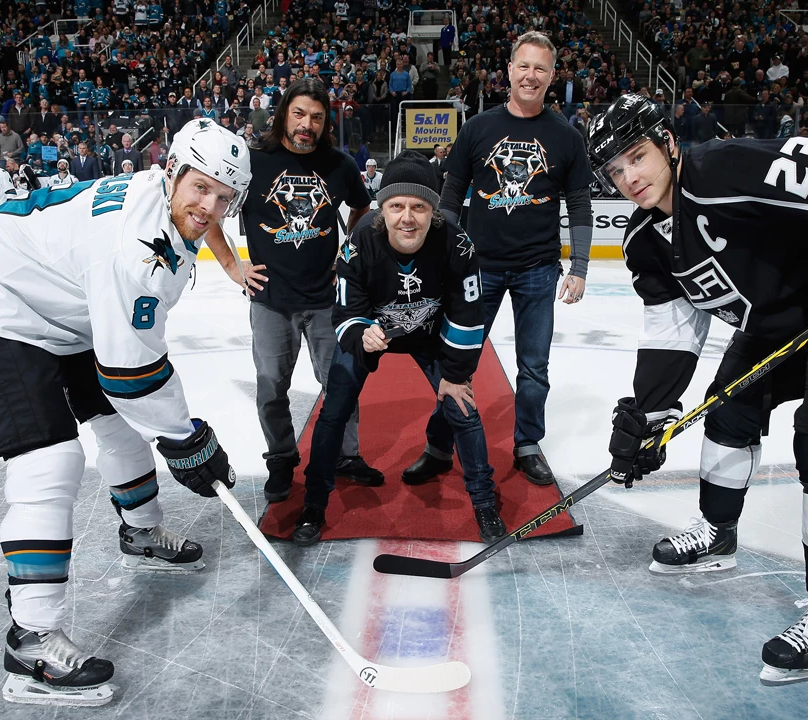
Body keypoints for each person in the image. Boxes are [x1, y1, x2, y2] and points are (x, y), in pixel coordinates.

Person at [588, 94, 808, 685]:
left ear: (669, 144)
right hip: (782, 325)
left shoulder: (727, 168)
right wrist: (647, 418)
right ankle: (718, 534)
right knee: (727, 414)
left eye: (637, 157)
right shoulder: (645, 240)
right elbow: (673, 330)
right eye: (615, 171)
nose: (629, 178)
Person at [0, 118, 251, 706]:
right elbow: (131, 374)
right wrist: (189, 440)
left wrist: (180, 436)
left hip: (61, 304)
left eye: (224, 198)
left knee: (118, 424)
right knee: (50, 461)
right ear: (174, 172)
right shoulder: (137, 254)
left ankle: (142, 532)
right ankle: (30, 642)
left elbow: (128, 379)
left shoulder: (160, 198)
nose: (209, 207)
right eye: (201, 188)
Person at [406, 31, 593, 488]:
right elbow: (451, 190)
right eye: (523, 66)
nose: (531, 75)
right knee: (458, 364)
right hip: (478, 268)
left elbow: (581, 203)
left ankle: (528, 444)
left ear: (552, 77)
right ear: (509, 70)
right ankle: (438, 446)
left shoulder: (567, 138)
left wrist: (581, 266)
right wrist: (440, 243)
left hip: (538, 269)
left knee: (533, 367)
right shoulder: (477, 129)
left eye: (541, 68)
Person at [291, 152, 505, 545]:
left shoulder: (456, 241)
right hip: (374, 330)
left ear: (433, 211)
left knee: (461, 404)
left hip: (432, 332)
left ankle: (484, 502)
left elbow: (470, 315)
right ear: (382, 210)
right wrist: (360, 335)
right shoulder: (360, 240)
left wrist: (455, 375)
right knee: (333, 408)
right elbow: (344, 310)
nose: (407, 217)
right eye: (396, 206)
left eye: (419, 207)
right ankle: (313, 506)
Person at [204, 78, 379, 503]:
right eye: (299, 114)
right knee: (270, 388)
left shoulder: (338, 164)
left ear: (325, 123)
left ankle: (345, 454)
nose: (307, 124)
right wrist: (232, 265)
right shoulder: (252, 161)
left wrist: (347, 252)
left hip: (325, 299)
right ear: (284, 114)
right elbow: (209, 209)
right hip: (270, 302)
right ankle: (281, 458)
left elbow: (362, 207)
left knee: (341, 381)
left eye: (317, 118)